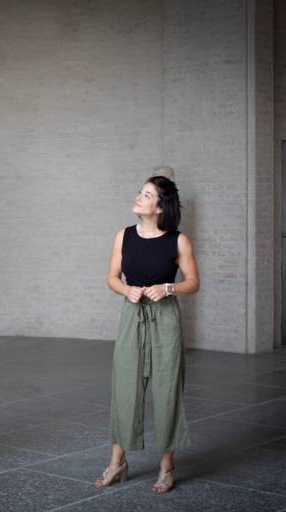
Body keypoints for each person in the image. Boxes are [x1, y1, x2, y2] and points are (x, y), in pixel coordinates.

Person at [95, 175, 200, 492]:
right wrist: (127, 290)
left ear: (160, 206)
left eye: (147, 194)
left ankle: (167, 467)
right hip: (132, 315)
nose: (139, 197)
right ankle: (117, 462)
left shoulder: (178, 241)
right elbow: (112, 278)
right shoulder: (123, 236)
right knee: (125, 386)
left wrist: (168, 287)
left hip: (165, 316)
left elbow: (193, 282)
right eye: (140, 192)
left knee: (167, 389)